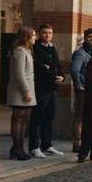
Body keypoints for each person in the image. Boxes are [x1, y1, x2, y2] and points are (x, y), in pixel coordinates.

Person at [29, 24, 65, 158]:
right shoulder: (35, 47)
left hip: (53, 89)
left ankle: (47, 144)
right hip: (41, 88)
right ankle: (34, 146)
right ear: (39, 34)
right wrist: (47, 69)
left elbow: (58, 66)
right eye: (44, 33)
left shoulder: (52, 47)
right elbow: (37, 67)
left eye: (50, 33)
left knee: (49, 117)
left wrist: (62, 76)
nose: (47, 35)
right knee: (37, 117)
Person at [6, 26, 37, 160]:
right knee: (18, 119)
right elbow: (19, 74)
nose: (35, 37)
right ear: (26, 37)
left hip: (27, 90)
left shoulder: (27, 50)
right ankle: (16, 148)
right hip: (20, 91)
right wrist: (26, 91)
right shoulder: (19, 51)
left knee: (25, 119)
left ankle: (20, 148)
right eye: (33, 35)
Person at [71, 28, 92, 152]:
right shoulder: (80, 53)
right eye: (89, 37)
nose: (91, 39)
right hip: (83, 89)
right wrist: (78, 85)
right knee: (80, 116)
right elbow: (75, 70)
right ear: (85, 38)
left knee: (91, 116)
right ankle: (77, 143)